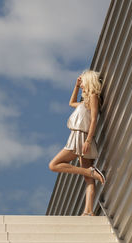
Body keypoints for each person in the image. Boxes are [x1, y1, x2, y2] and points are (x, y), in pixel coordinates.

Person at [49, 69, 106, 216]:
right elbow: (71, 102)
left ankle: (90, 171)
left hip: (81, 138)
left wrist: (88, 140)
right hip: (78, 137)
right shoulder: (84, 101)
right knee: (89, 179)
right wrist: (76, 86)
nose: (81, 85)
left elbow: (94, 120)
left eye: (82, 82)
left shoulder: (93, 97)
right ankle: (88, 211)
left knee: (54, 165)